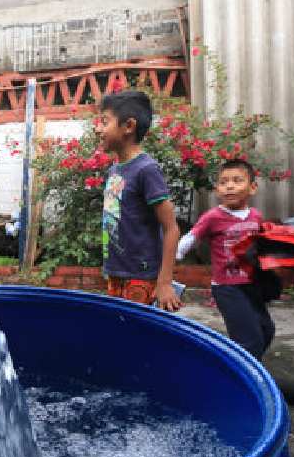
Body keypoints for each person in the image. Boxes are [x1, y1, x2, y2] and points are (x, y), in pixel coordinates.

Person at [176, 159, 273, 359]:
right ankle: (245, 376)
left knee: (266, 330)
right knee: (249, 340)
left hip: (252, 285)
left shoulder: (256, 216)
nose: (229, 186)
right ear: (217, 190)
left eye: (237, 180)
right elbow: (190, 239)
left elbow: (265, 246)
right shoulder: (213, 217)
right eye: (223, 182)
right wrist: (171, 257)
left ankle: (245, 366)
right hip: (227, 288)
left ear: (252, 187)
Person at [97, 90, 181, 311]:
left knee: (137, 337)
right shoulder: (116, 169)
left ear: (128, 126)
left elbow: (171, 228)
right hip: (117, 272)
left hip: (141, 276)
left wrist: (164, 282)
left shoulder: (146, 169)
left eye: (104, 122)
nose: (98, 129)